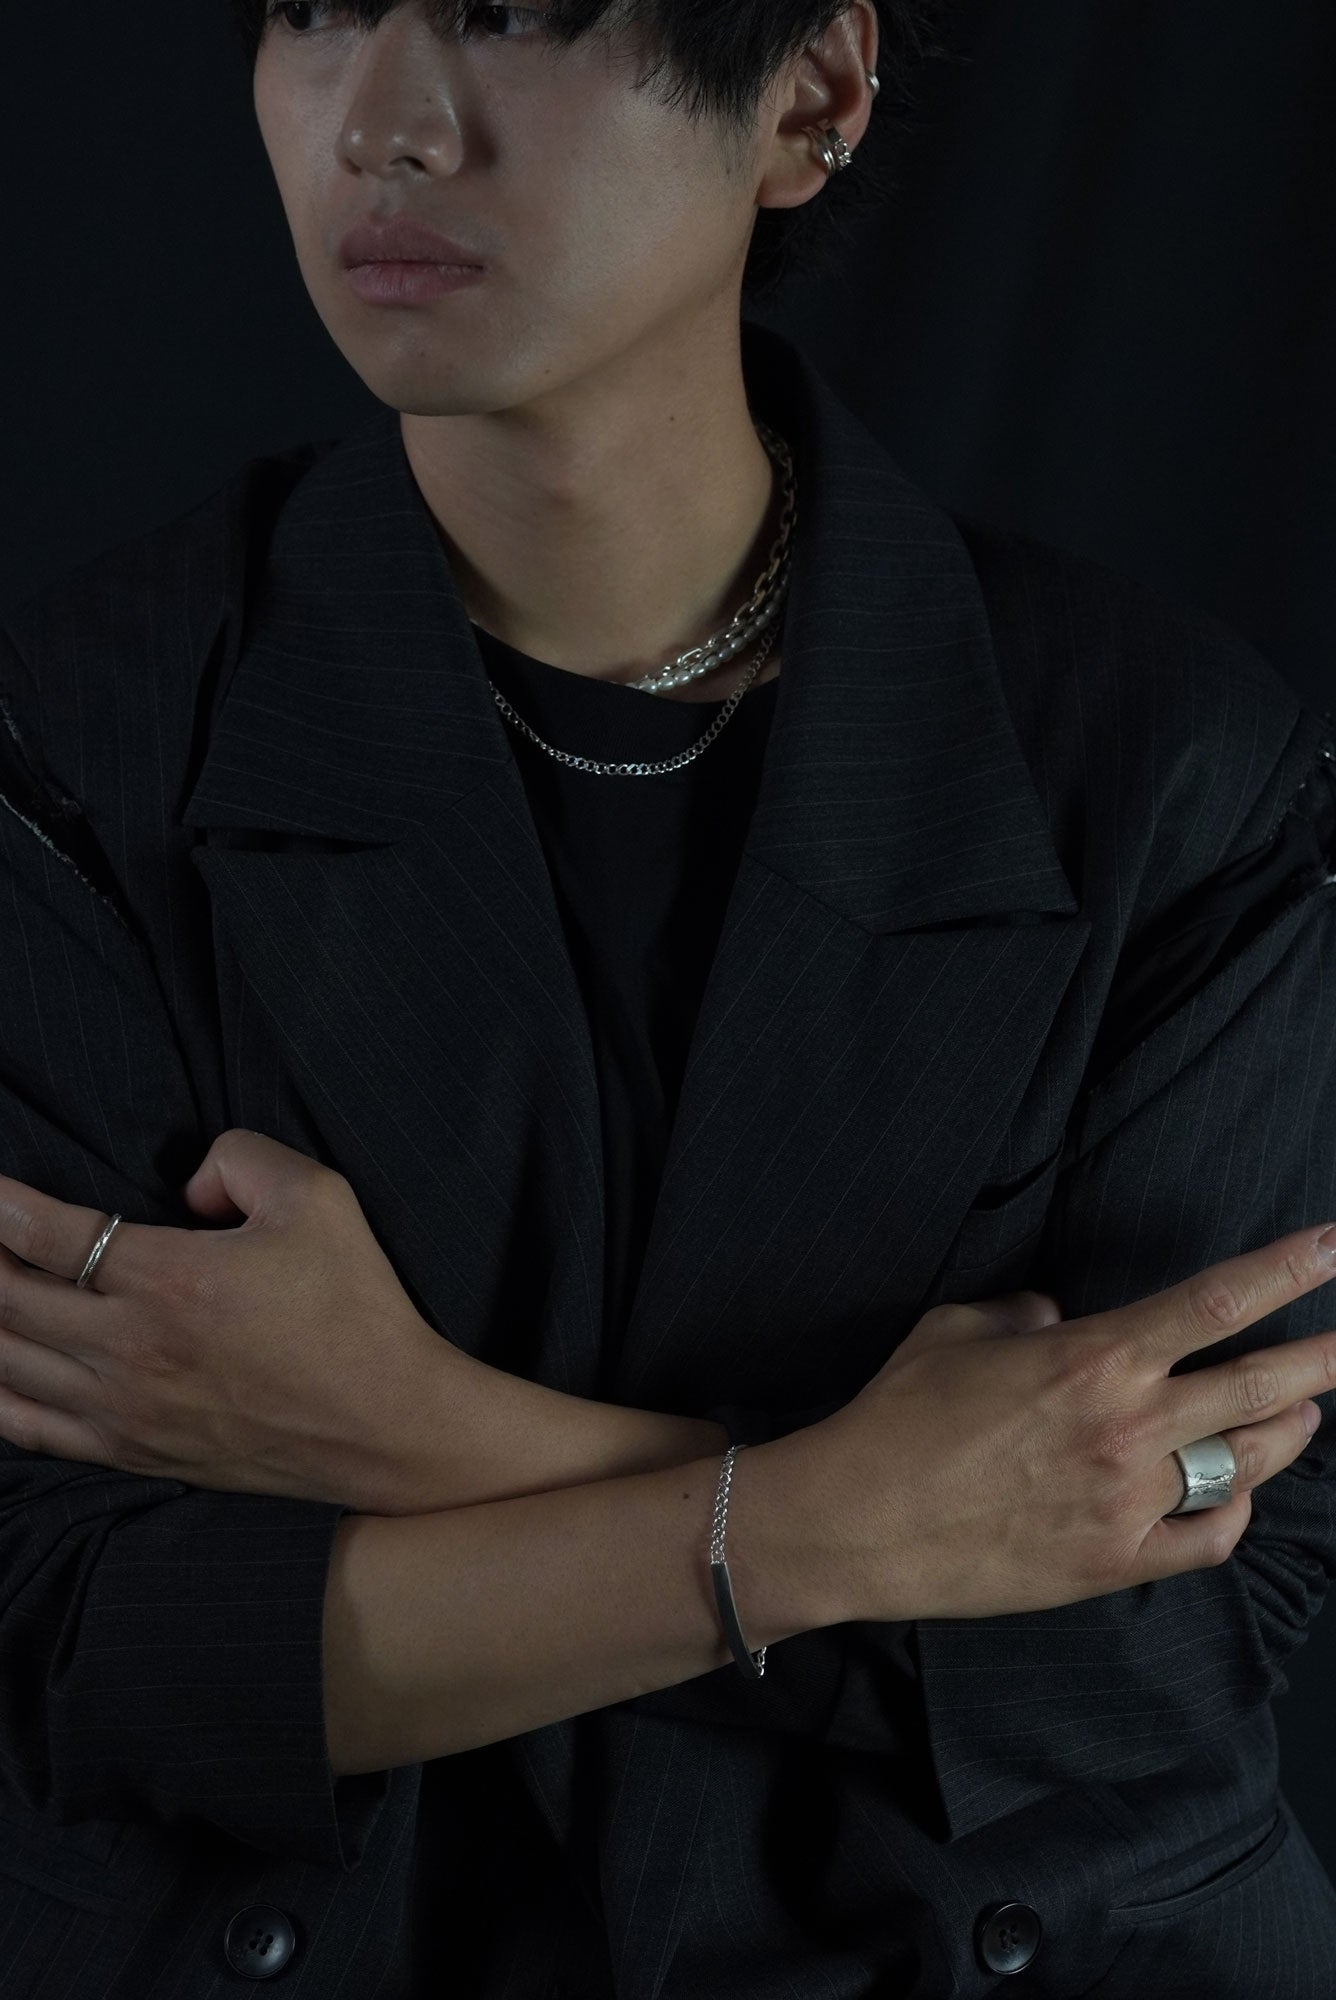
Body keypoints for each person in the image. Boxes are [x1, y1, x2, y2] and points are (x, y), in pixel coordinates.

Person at [2, 1, 1336, 1995]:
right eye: (312, 12)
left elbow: (1183, 1633)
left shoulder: (1165, 773)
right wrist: (851, 1519)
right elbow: (82, 1652)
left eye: (512, 15)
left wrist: (408, 1427)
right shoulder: (83, 745)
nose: (382, 123)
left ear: (808, 95)